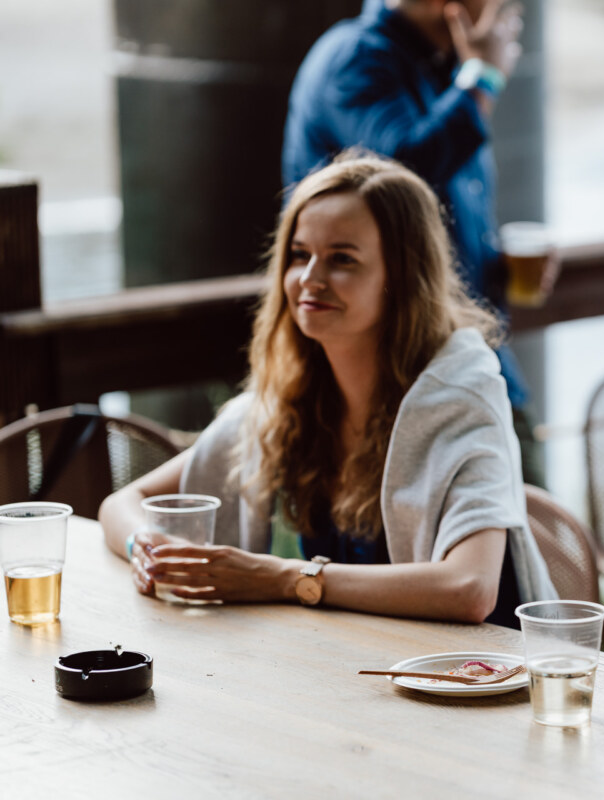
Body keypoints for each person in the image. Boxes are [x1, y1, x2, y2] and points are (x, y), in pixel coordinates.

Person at [98, 153, 555, 625]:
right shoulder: (288, 402)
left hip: (479, 676)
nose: (310, 279)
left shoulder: (461, 398)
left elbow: (470, 589)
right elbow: (121, 505)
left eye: (342, 259)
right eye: (300, 255)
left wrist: (279, 578)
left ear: (401, 278)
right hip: (363, 669)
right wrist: (148, 548)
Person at [282, 0, 550, 485]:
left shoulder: (438, 69)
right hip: (396, 364)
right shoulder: (356, 57)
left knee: (534, 525)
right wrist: (484, 75)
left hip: (463, 344)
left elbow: (430, 222)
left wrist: (494, 264)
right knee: (517, 520)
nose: (511, 11)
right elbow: (398, 180)